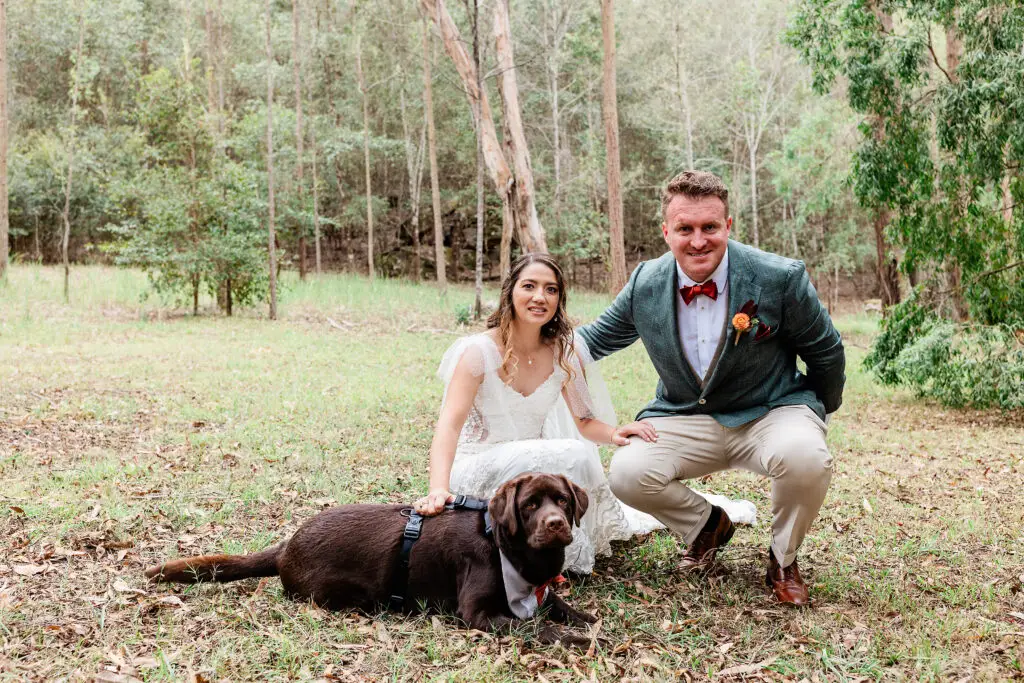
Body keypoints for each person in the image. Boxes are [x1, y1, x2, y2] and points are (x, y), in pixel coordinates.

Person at [577, 170, 845, 605]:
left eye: (709, 227)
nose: (698, 241)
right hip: (685, 415)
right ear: (667, 232)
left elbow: (826, 350)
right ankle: (707, 526)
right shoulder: (645, 283)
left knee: (806, 456)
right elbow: (591, 341)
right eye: (685, 228)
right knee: (627, 473)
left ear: (728, 226)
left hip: (770, 409)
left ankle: (782, 558)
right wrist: (510, 346)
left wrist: (815, 412)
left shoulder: (779, 277)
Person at [413, 253, 754, 574]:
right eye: (529, 286)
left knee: (575, 455)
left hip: (532, 465)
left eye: (551, 290)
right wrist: (438, 489)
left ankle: (562, 551)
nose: (539, 297)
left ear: (559, 300)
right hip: (479, 463)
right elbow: (449, 427)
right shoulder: (478, 353)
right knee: (553, 456)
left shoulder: (564, 351)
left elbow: (584, 422)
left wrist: (616, 432)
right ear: (510, 292)